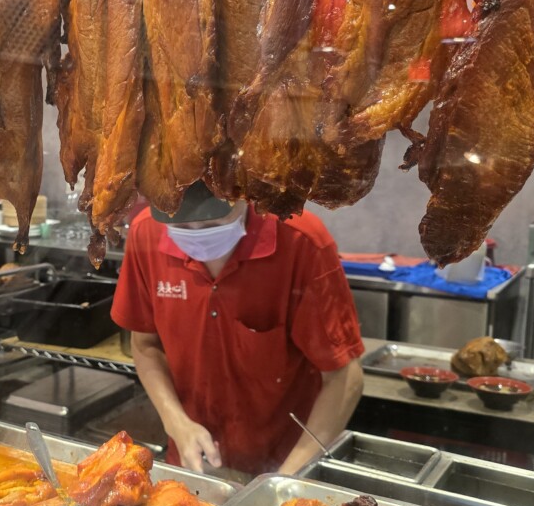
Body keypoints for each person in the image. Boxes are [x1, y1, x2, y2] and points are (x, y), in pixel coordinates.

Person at [112, 182, 364, 476]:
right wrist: (176, 422)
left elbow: (344, 377)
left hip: (287, 463)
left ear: (248, 196)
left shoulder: (301, 240)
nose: (197, 232)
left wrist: (284, 481)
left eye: (213, 223)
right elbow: (145, 345)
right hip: (194, 465)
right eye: (181, 225)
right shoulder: (146, 232)